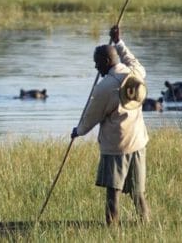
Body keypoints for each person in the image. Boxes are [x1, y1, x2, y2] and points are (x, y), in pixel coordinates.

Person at [71, 26, 151, 225]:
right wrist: (119, 43)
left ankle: (112, 231)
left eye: (97, 64)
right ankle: (146, 225)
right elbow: (134, 62)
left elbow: (91, 116)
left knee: (112, 194)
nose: (96, 68)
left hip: (117, 147)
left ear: (107, 62)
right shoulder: (135, 74)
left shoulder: (104, 88)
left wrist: (78, 131)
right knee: (137, 193)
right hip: (138, 142)